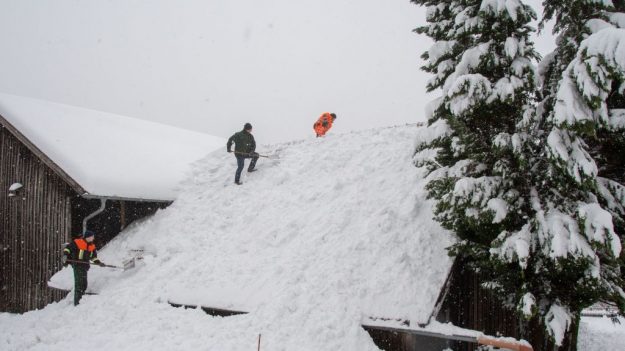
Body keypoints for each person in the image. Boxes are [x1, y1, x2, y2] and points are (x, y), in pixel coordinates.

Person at [62, 230, 104, 305]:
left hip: (84, 267)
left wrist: (99, 263)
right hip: (77, 265)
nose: (93, 238)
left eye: (93, 237)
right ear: (87, 237)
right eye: (92, 237)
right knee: (79, 284)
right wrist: (65, 255)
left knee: (84, 284)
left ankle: (81, 300)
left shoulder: (92, 246)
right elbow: (68, 248)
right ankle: (77, 302)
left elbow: (93, 257)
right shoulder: (78, 242)